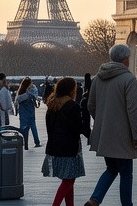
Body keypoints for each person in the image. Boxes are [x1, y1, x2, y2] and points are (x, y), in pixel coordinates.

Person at [86, 44, 137, 206]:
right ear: (125, 60)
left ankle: (95, 200)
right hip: (123, 135)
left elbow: (90, 105)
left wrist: (102, 121)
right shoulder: (129, 78)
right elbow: (133, 109)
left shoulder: (98, 78)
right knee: (126, 173)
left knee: (111, 169)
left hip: (105, 133)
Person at [42, 77, 88, 206]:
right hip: (69, 148)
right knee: (68, 181)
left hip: (54, 146)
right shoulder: (72, 106)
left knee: (68, 179)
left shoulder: (52, 105)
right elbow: (77, 128)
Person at [16, 77, 42, 149]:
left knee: (23, 129)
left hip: (23, 113)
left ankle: (24, 143)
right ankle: (37, 142)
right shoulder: (31, 93)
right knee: (33, 127)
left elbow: (17, 101)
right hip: (31, 113)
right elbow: (35, 100)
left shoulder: (21, 93)